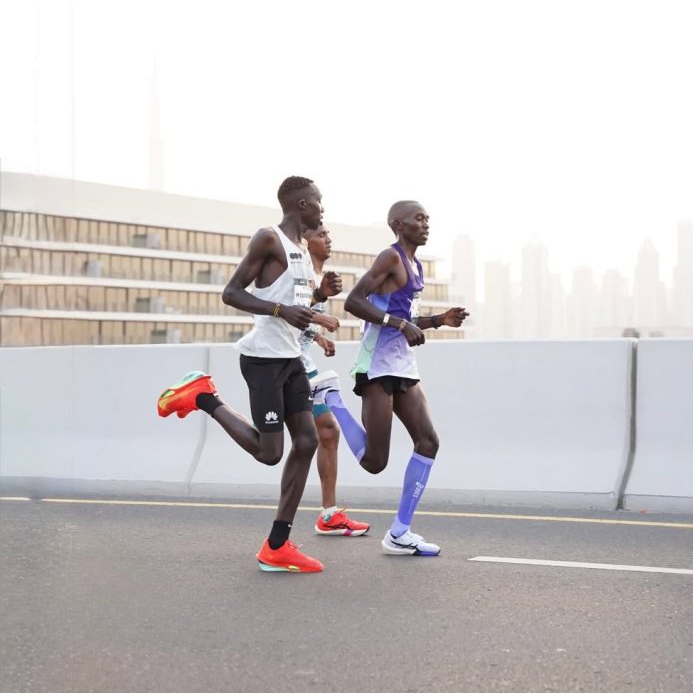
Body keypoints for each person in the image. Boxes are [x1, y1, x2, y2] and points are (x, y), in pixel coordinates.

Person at [157, 176, 340, 574]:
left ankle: (277, 545)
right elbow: (232, 292)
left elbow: (296, 306)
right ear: (303, 204)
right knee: (270, 453)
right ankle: (203, 396)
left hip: (291, 360)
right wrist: (280, 312)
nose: (324, 210)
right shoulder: (268, 238)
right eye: (320, 203)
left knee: (307, 441)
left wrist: (319, 301)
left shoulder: (304, 253)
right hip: (262, 361)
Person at [341, 200, 469, 556]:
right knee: (374, 462)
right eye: (419, 219)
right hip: (376, 366)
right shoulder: (390, 257)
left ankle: (399, 532)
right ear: (399, 224)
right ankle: (331, 401)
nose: (426, 224)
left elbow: (406, 317)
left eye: (428, 219)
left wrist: (438, 320)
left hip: (403, 366)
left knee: (428, 442)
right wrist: (399, 324)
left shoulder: (417, 264)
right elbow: (353, 302)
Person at [299, 225, 370, 537]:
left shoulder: (317, 275)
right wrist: (319, 317)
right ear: (305, 241)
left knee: (327, 432)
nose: (328, 240)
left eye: (329, 235)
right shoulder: (300, 271)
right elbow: (285, 313)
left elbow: (298, 322)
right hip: (284, 364)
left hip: (303, 363)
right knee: (270, 446)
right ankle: (206, 400)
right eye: (321, 235)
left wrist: (318, 338)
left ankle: (329, 514)